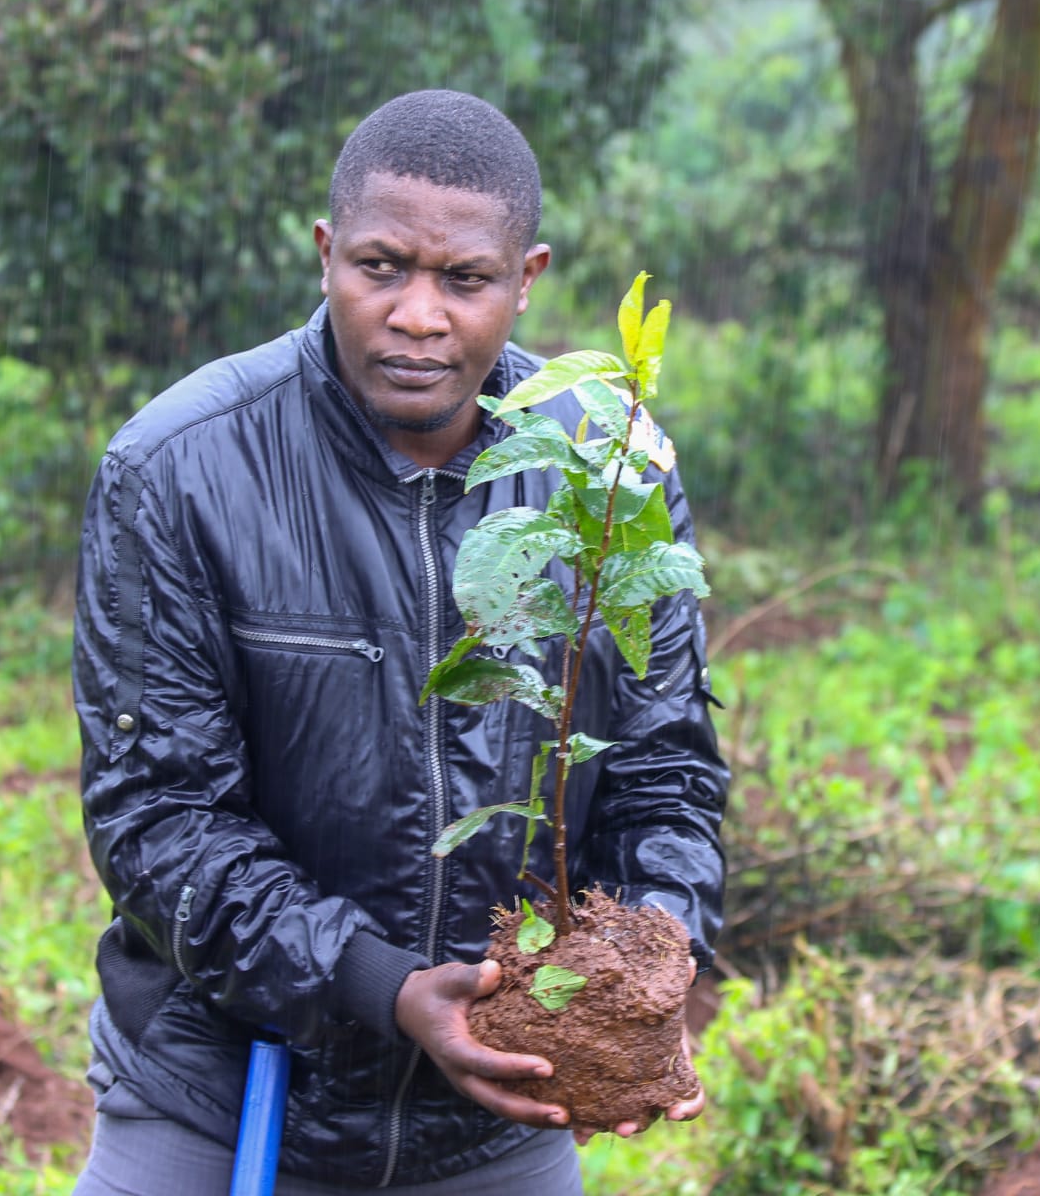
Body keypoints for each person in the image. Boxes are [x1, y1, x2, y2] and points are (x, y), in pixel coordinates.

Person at [70, 89, 727, 1196]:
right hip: (218, 1095)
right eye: (381, 267)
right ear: (326, 253)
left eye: (464, 281)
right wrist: (382, 988)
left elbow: (663, 768)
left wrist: (650, 956)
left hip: (497, 1124)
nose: (418, 315)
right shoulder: (179, 469)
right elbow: (156, 816)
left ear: (526, 280)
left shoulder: (609, 474)